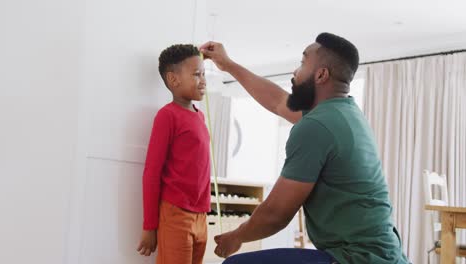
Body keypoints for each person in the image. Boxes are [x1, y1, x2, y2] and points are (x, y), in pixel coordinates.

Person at [199, 33, 410, 264]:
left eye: (302, 63)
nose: (295, 72)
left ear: (321, 74)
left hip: (358, 259)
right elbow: (279, 102)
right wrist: (228, 65)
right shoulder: (344, 113)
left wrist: (236, 237)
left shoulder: (316, 126)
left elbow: (275, 215)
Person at [137, 44, 211, 264]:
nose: (204, 80)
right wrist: (150, 226)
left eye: (204, 74)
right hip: (176, 214)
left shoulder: (200, 117)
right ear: (173, 79)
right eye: (197, 74)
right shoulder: (167, 116)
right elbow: (151, 172)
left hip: (201, 216)